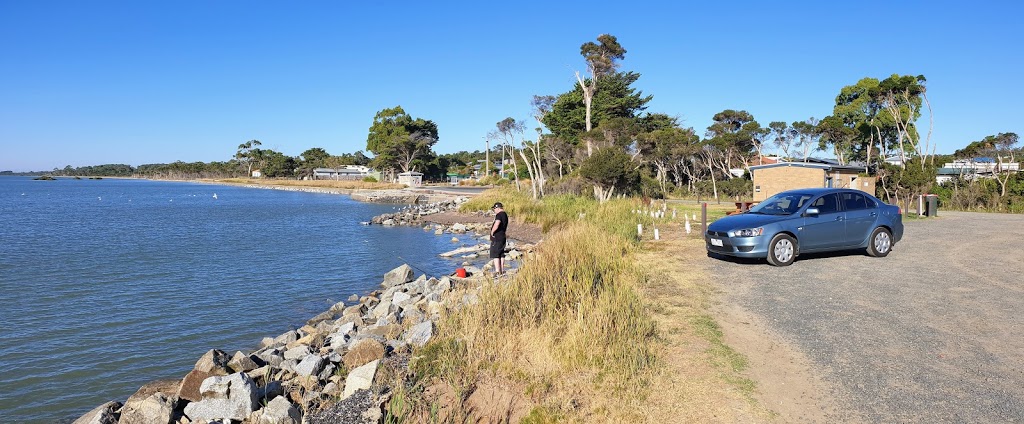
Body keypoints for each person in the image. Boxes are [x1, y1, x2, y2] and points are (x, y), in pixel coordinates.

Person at [489, 202, 508, 275]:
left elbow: (497, 224)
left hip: (497, 237)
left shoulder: (499, 215)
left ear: (498, 208)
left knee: (495, 254)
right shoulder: (505, 214)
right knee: (501, 253)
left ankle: (497, 272)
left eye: (494, 208)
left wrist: (492, 232)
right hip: (503, 236)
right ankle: (502, 270)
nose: (494, 210)